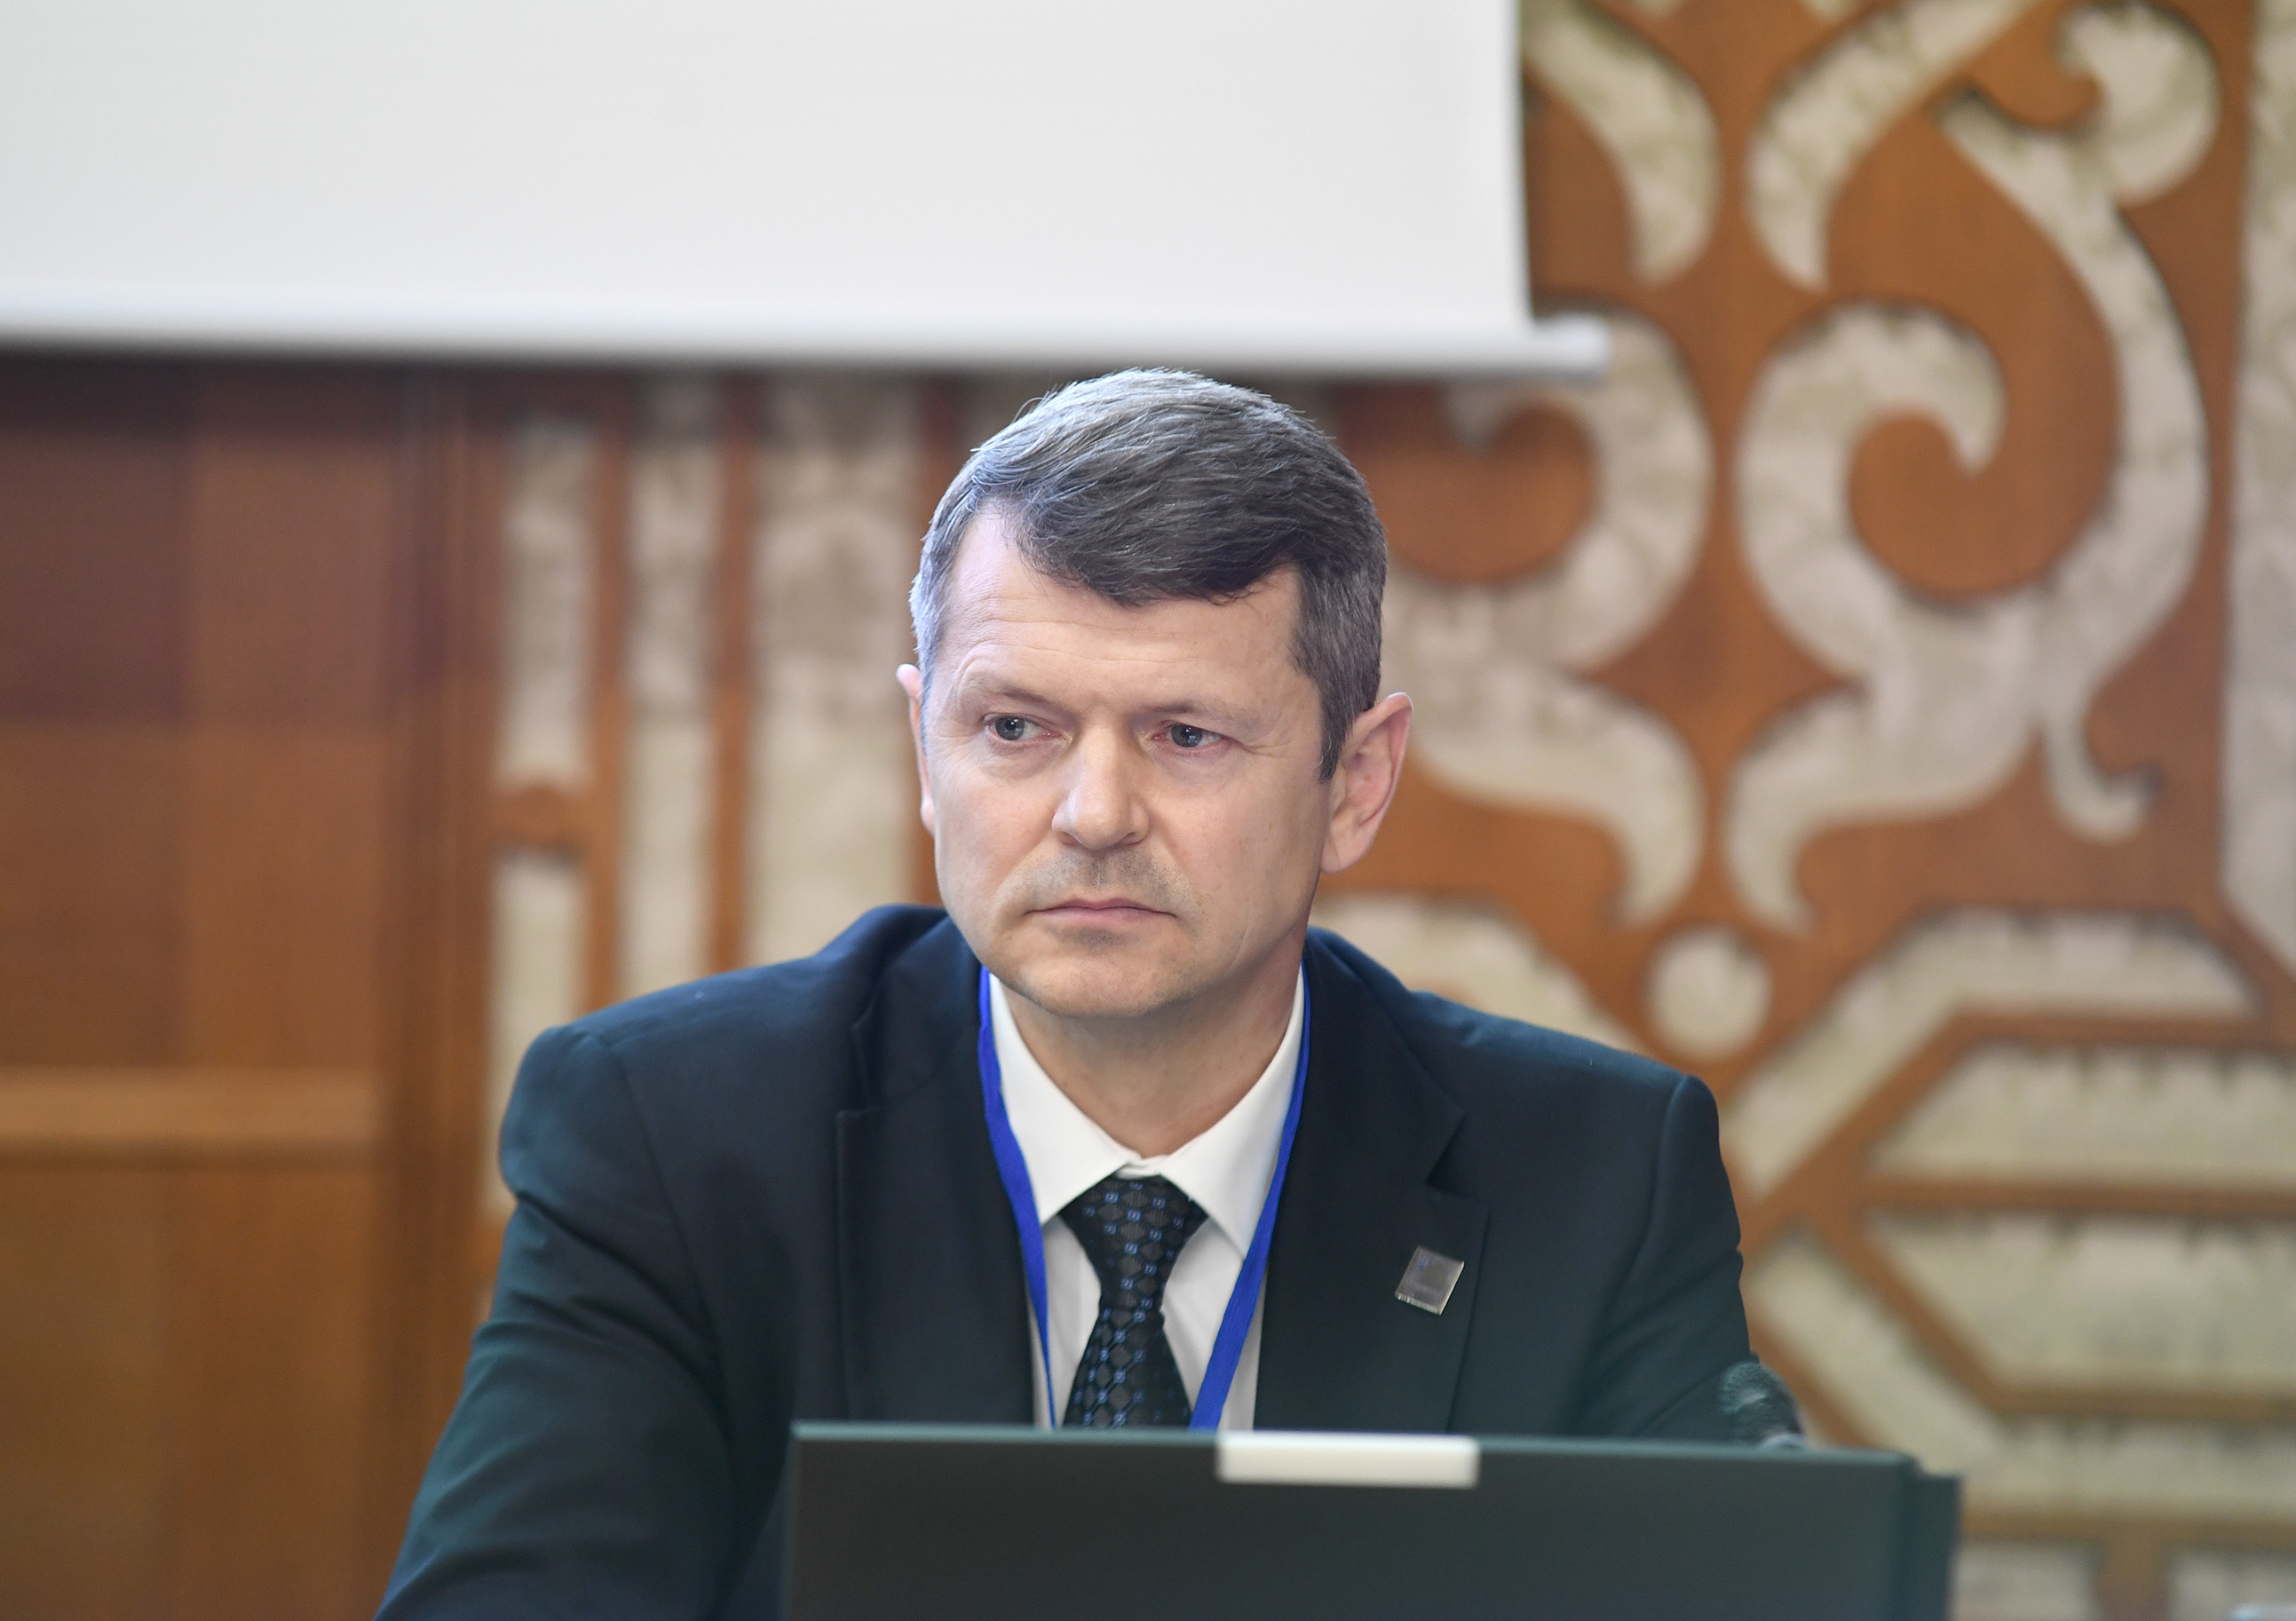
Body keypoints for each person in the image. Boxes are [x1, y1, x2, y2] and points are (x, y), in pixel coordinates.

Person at [377, 371, 1752, 1619]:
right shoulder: (675, 1140)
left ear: (1354, 781)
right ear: (925, 750)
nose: (1093, 813)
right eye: (1014, 728)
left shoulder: (1593, 1178)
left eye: (1186, 735)